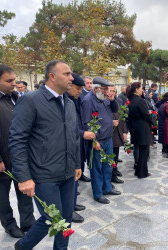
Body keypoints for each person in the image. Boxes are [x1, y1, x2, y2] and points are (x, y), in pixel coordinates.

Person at [9, 60, 81, 249]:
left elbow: (74, 137)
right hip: (44, 174)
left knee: (65, 218)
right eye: (67, 74)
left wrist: (76, 164)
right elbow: (17, 140)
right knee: (52, 217)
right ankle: (23, 246)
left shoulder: (69, 103)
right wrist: (24, 177)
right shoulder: (30, 100)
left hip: (67, 172)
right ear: (52, 76)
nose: (71, 78)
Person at [0, 65, 35, 239]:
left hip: (19, 155)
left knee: (25, 190)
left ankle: (28, 221)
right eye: (9, 81)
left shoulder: (15, 97)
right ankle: (9, 225)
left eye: (14, 80)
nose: (15, 83)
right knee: (1, 196)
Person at [81, 77, 121, 204]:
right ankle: (98, 193)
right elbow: (86, 123)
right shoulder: (88, 101)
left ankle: (107, 188)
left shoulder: (104, 99)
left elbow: (114, 109)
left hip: (108, 138)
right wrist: (94, 141)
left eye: (107, 89)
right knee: (96, 168)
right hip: (96, 141)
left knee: (108, 165)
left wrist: (112, 99)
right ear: (96, 88)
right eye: (104, 89)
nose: (106, 91)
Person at [66, 73, 94, 223]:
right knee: (70, 180)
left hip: (77, 143)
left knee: (74, 179)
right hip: (67, 146)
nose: (80, 91)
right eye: (78, 88)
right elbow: (64, 128)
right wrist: (83, 133)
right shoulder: (64, 101)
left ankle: (71, 203)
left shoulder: (76, 99)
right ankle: (68, 211)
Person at [127, 82, 154, 178]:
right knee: (144, 151)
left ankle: (139, 171)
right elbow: (146, 115)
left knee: (140, 150)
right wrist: (153, 122)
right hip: (143, 128)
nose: (142, 90)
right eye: (141, 88)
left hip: (135, 127)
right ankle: (142, 173)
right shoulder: (140, 101)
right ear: (137, 89)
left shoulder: (130, 100)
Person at [110, 85, 126, 184]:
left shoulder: (117, 102)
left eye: (114, 91)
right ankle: (112, 175)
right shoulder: (104, 102)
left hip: (117, 132)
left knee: (115, 156)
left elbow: (122, 117)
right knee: (111, 157)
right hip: (109, 134)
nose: (112, 93)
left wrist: (125, 131)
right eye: (110, 91)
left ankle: (114, 172)